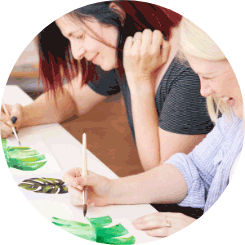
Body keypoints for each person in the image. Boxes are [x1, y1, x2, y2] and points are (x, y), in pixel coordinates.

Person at [62, 17, 244, 237]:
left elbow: (157, 164)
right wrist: (110, 190)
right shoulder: (234, 121)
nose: (204, 91)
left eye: (208, 76)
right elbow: (195, 170)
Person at [0, 1, 213, 174]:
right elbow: (73, 99)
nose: (76, 53)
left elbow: (160, 170)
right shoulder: (125, 44)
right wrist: (22, 115)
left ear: (116, 15)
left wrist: (139, 80)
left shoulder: (190, 69)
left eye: (79, 36)